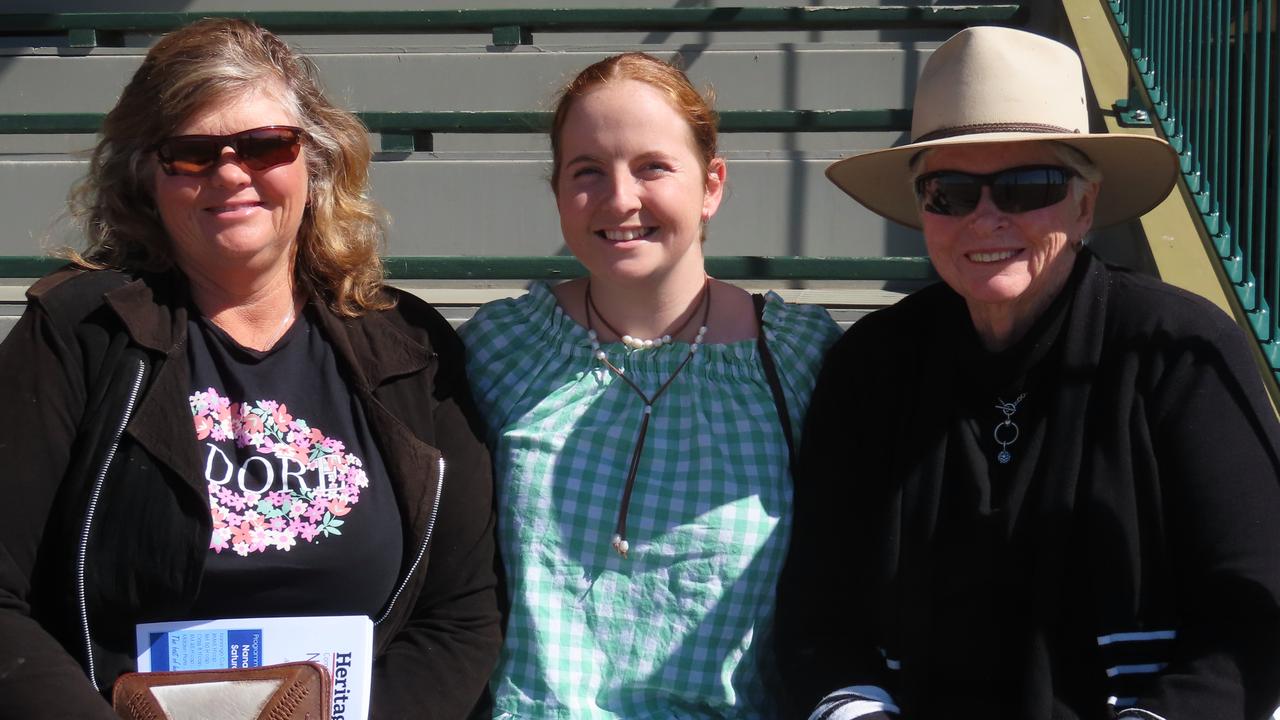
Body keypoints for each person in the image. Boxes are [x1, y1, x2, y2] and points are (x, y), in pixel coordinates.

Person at [0, 18, 501, 718]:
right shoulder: (79, 334)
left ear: (314, 161)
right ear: (148, 174)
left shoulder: (408, 348)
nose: (232, 173)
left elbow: (464, 611)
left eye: (267, 145)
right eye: (192, 153)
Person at [775, 25, 1280, 720]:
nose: (985, 218)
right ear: (923, 212)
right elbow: (816, 615)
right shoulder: (872, 365)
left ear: (1085, 204)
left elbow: (1252, 611)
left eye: (1028, 186)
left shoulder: (1176, 349)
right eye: (949, 192)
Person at [460, 52, 841, 718]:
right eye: (587, 172)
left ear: (712, 185)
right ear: (556, 193)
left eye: (652, 167)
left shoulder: (798, 356)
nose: (620, 199)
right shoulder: (501, 348)